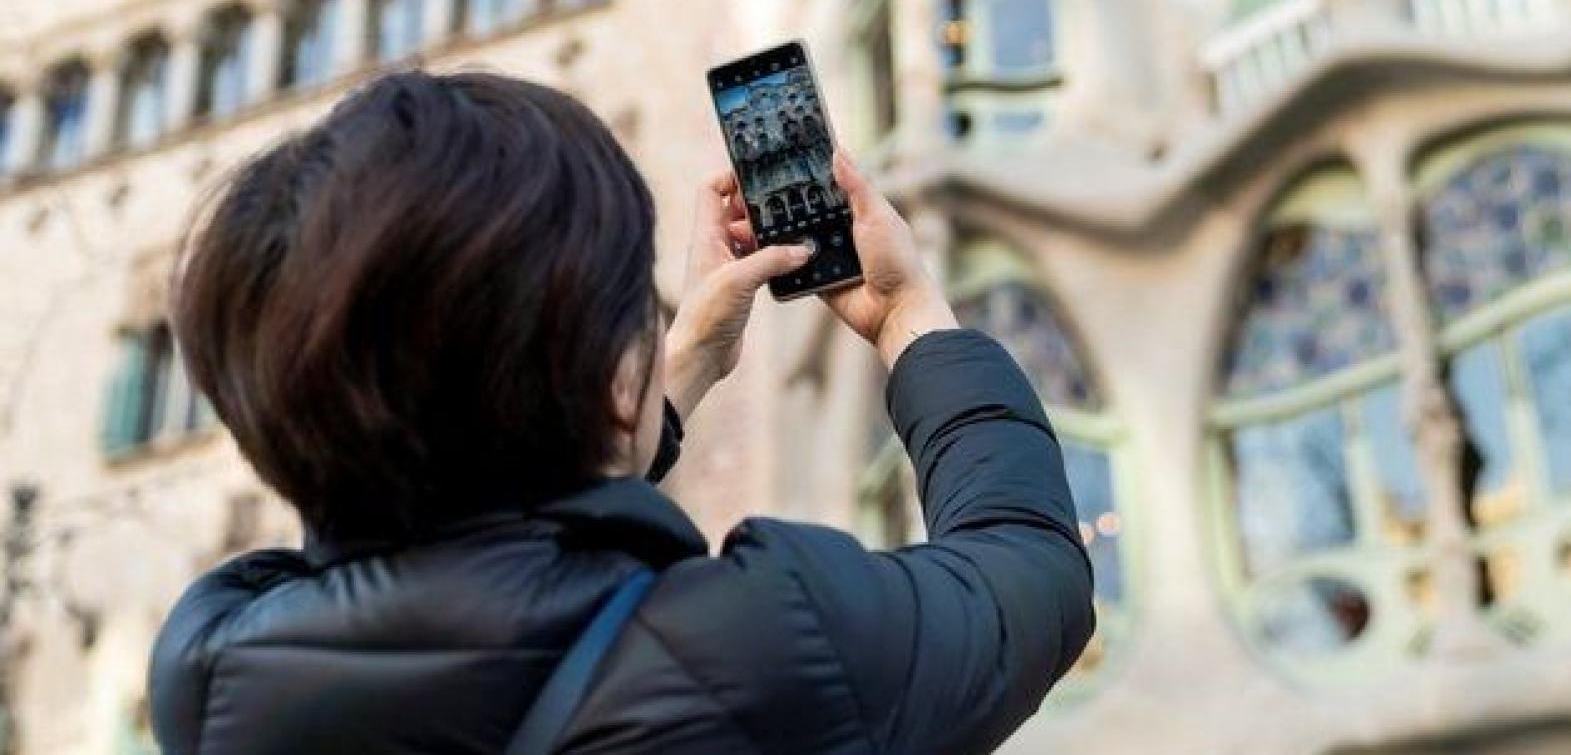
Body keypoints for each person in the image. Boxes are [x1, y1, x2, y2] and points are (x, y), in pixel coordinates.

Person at [148, 71, 1095, 754]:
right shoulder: (762, 650)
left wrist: (666, 377)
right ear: (609, 380)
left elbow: (481, 550)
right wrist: (907, 315)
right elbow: (1032, 568)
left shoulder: (212, 668)